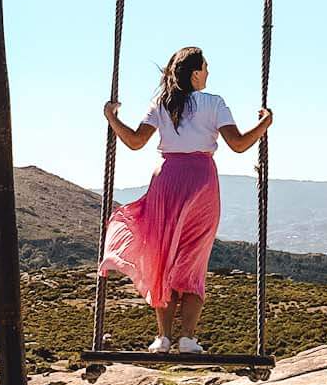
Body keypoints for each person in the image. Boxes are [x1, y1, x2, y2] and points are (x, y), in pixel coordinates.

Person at [99, 45, 272, 353]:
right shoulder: (214, 103)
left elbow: (136, 142)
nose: (208, 73)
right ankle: (188, 339)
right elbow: (239, 144)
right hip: (201, 182)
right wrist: (265, 123)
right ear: (195, 73)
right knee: (193, 260)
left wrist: (112, 118)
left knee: (163, 256)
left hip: (166, 180)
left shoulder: (162, 103)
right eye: (205, 68)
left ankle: (163, 337)